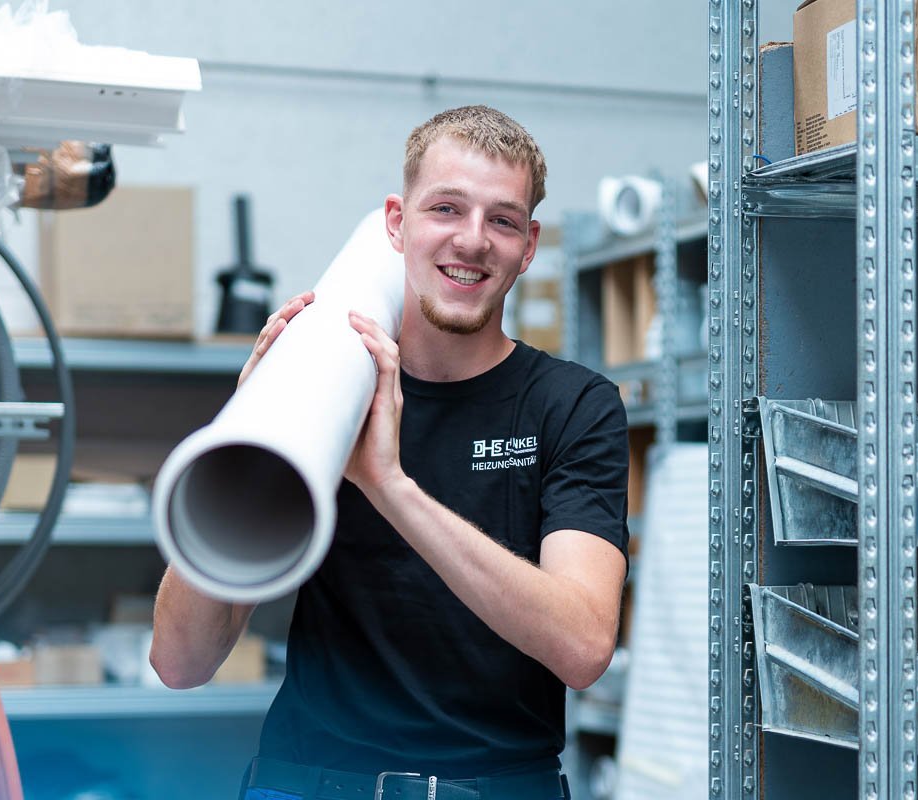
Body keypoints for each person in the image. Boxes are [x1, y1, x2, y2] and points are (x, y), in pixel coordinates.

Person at [149, 105, 630, 800]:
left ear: (528, 246)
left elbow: (583, 648)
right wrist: (245, 430)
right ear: (397, 223)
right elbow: (180, 662)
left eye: (501, 220)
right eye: (446, 209)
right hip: (308, 783)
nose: (472, 241)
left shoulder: (572, 406)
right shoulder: (327, 389)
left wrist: (388, 484)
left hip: (495, 787)